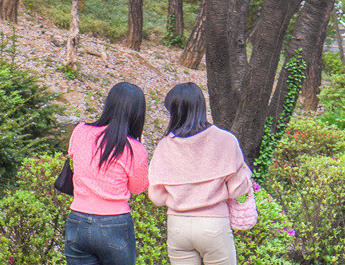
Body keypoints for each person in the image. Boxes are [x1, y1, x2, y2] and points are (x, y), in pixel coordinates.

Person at [149, 83, 254, 265]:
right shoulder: (226, 140)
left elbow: (156, 197)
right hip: (213, 225)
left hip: (177, 225)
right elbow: (238, 189)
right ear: (201, 107)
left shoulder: (165, 146)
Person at [65, 82, 149, 265]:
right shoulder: (134, 149)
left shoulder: (80, 131)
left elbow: (73, 155)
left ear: (108, 105)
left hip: (77, 219)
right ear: (137, 114)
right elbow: (138, 188)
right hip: (114, 224)